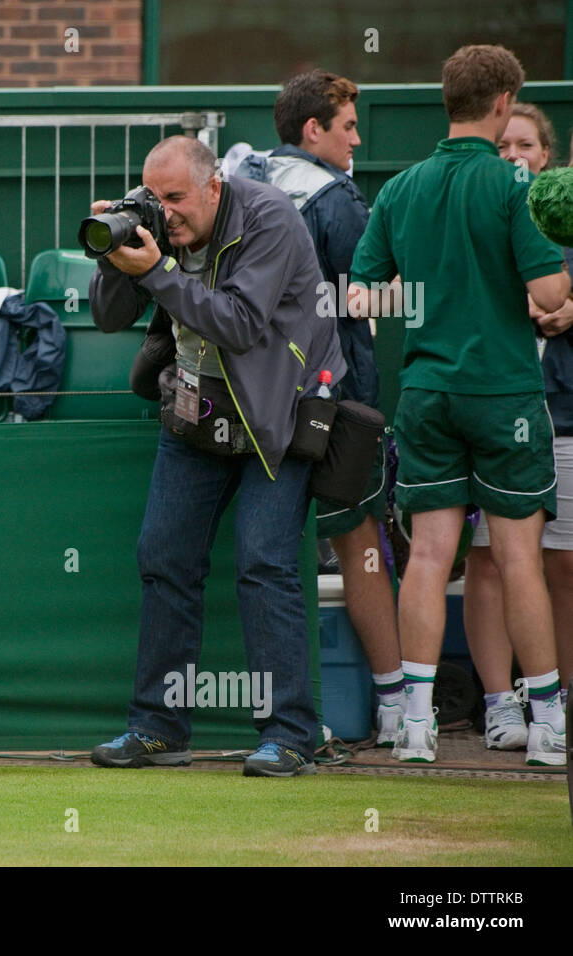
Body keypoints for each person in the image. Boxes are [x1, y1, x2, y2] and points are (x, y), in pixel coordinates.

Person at [89, 135, 345, 777]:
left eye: (177, 199)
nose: (165, 212)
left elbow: (238, 323)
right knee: (164, 556)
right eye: (154, 198)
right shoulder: (156, 226)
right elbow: (107, 318)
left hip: (277, 407)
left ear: (214, 188)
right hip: (198, 408)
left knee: (264, 562)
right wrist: (114, 256)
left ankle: (290, 734)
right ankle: (157, 729)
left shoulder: (271, 218)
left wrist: (156, 272)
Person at [349, 45, 571, 765]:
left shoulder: (403, 187)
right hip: (503, 392)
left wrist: (430, 294)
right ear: (503, 102)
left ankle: (416, 726)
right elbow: (548, 297)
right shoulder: (516, 187)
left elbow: (361, 293)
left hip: (426, 392)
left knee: (430, 558)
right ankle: (546, 726)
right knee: (518, 560)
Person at [241, 70, 404, 744]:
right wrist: (364, 412)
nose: (357, 139)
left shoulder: (240, 181)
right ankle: (395, 706)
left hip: (248, 408)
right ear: (314, 130)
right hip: (323, 406)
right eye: (348, 126)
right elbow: (355, 307)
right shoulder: (337, 200)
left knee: (274, 556)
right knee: (356, 540)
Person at [463, 101, 573, 762]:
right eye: (502, 143)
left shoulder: (562, 215)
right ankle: (499, 703)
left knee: (560, 563)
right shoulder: (475, 215)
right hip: (488, 413)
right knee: (487, 559)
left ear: (545, 155)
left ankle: (555, 702)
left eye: (525, 145)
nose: (512, 155)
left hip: (560, 415)